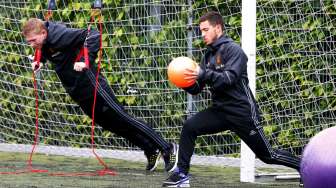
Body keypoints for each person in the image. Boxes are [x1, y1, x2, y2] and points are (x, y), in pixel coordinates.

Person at [162, 11, 301, 187]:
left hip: (242, 112)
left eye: (206, 30)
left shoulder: (234, 50)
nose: (202, 34)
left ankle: (302, 166)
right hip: (220, 112)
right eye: (201, 31)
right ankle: (181, 175)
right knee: (190, 126)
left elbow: (229, 79)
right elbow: (197, 89)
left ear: (218, 28)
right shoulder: (208, 55)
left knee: (268, 156)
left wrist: (203, 73)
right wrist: (182, 80)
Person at [22, 18, 178, 172]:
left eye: (33, 40)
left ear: (44, 32)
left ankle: (167, 148)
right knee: (112, 125)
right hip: (77, 90)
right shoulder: (45, 40)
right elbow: (49, 49)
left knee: (123, 117)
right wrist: (39, 60)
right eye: (29, 42)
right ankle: (150, 149)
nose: (32, 45)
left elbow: (93, 34)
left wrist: (85, 60)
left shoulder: (59, 35)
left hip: (93, 85)